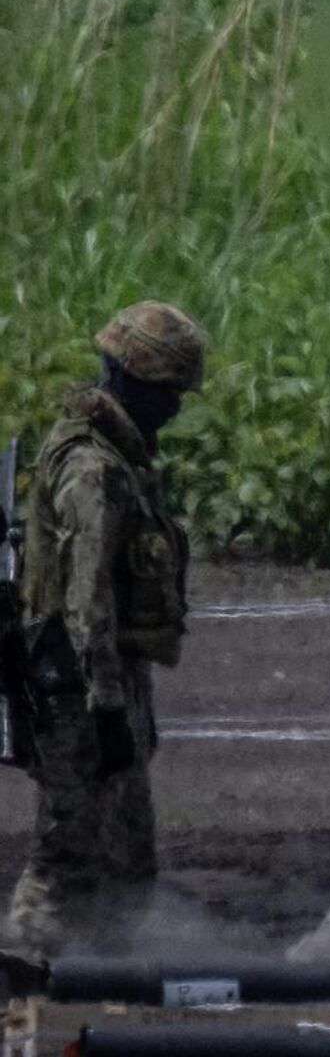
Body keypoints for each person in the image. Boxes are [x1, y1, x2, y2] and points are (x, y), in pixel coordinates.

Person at [5, 302, 205, 960]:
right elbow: (85, 599)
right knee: (64, 858)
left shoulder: (117, 460)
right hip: (80, 693)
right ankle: (21, 989)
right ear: (136, 382)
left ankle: (100, 982)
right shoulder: (94, 474)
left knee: (126, 862)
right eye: (170, 393)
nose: (176, 409)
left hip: (104, 684)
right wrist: (109, 708)